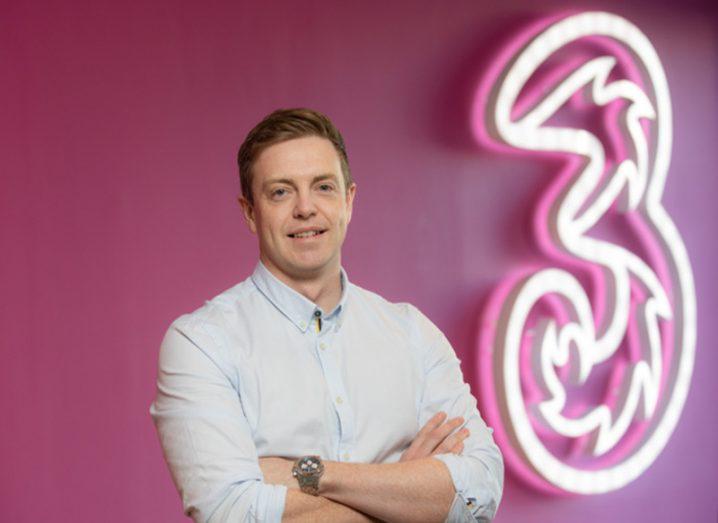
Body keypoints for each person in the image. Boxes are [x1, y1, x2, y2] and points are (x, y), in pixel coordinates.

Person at [150, 108, 503, 522]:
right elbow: (231, 510)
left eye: (323, 187)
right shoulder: (202, 344)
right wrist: (404, 491)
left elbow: (479, 490)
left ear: (348, 201)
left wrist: (309, 476)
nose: (305, 208)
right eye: (281, 192)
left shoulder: (412, 334)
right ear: (250, 212)